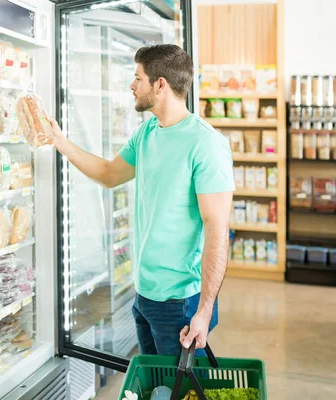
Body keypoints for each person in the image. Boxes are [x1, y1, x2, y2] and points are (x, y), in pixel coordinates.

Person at [49, 44, 234, 356]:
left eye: (138, 78)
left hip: (181, 301)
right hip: (145, 292)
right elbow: (109, 174)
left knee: (181, 390)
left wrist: (204, 310)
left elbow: (217, 230)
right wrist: (60, 142)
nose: (131, 86)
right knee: (154, 386)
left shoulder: (206, 144)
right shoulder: (147, 132)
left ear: (160, 85)